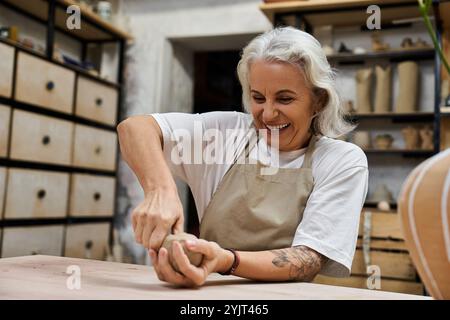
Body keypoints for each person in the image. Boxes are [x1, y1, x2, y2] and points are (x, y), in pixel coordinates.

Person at [117, 26, 368, 287]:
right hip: (206, 293)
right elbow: (134, 128)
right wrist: (160, 191)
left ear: (318, 100)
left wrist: (225, 260)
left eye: (284, 99)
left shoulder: (340, 160)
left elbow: (307, 260)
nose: (268, 113)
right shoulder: (226, 135)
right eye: (258, 97)